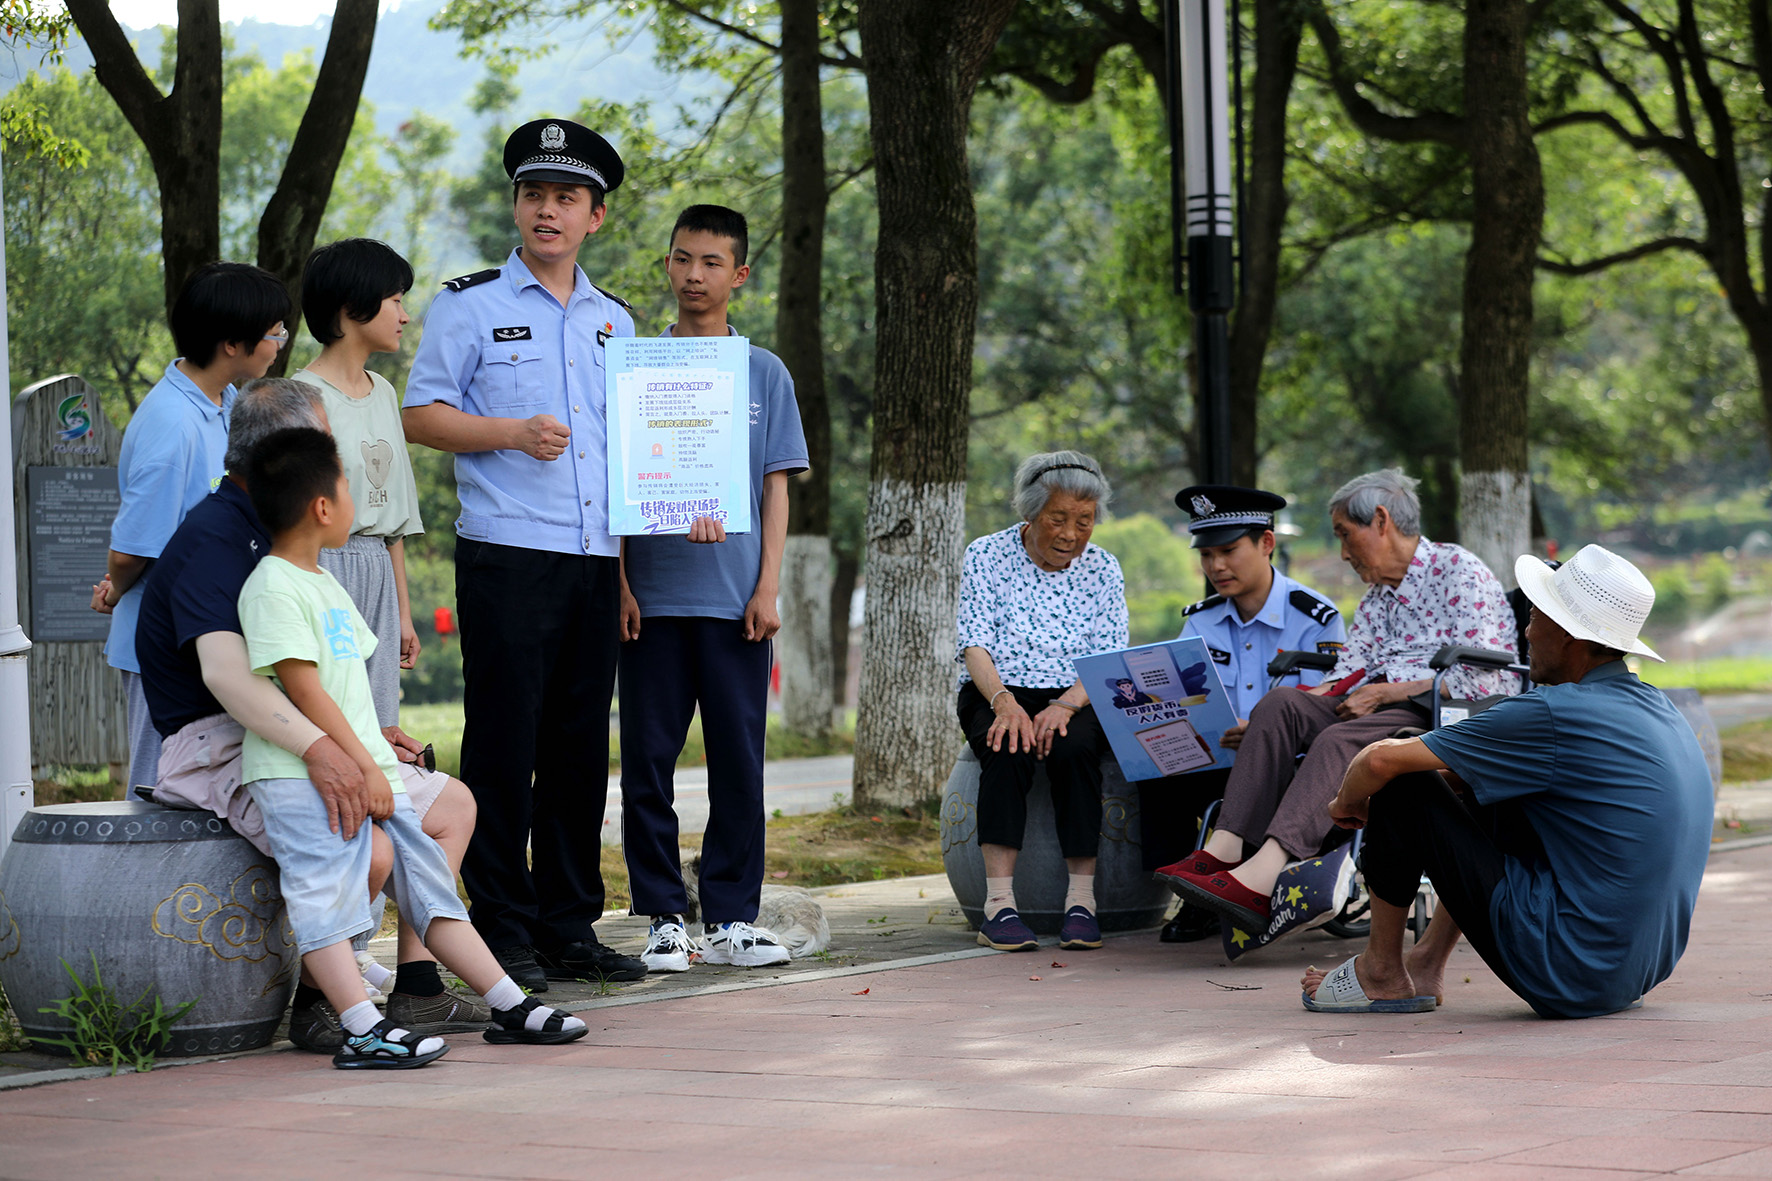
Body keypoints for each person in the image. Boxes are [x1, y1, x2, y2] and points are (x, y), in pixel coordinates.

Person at [135, 378, 487, 1047]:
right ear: (284, 453)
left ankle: (418, 989)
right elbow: (228, 677)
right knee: (370, 845)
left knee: (452, 808)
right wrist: (328, 752)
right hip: (220, 742)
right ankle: (324, 1006)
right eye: (325, 440)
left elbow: (311, 670)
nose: (337, 456)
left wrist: (364, 736)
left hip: (293, 730)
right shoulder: (216, 537)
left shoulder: (285, 539)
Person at [238, 426, 588, 1068]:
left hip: (365, 766)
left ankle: (508, 1003)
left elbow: (346, 688)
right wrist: (361, 763)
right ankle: (361, 1027)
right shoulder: (272, 586)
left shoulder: (324, 582)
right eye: (348, 488)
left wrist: (377, 752)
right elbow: (304, 691)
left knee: (429, 885)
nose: (357, 502)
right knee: (325, 891)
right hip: (302, 777)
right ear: (322, 506)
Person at [402, 118, 646, 990]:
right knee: (505, 745)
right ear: (515, 206)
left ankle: (569, 924)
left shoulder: (617, 322)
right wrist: (509, 431)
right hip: (507, 554)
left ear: (595, 216)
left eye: (567, 198)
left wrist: (626, 572)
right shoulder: (469, 305)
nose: (548, 211)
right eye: (534, 194)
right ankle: (502, 925)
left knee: (579, 748)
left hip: (594, 561)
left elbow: (633, 456)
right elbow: (420, 414)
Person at [1302, 544, 1710, 1018]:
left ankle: (1380, 973)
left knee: (1404, 777)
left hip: (1569, 969)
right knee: (1482, 777)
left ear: (1569, 636)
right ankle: (1426, 962)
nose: (1526, 631)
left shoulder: (1553, 713)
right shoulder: (1661, 709)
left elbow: (1378, 763)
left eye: (1535, 617)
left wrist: (1344, 806)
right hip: (1632, 970)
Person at [1163, 469, 1518, 934]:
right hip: (1373, 702)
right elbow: (1344, 674)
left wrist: (1389, 691)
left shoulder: (1458, 571)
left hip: (1434, 708)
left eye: (1345, 535)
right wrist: (1290, 709)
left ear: (1381, 521)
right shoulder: (1379, 594)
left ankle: (1265, 875)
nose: (1344, 553)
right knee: (1280, 705)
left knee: (1338, 740)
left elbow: (1484, 675)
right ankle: (1224, 849)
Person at [619, 204, 810, 973]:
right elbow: (617, 484)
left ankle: (731, 917)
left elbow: (775, 488)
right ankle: (665, 917)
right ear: (666, 264)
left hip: (737, 605)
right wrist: (620, 581)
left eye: (710, 262)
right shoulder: (636, 367)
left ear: (740, 274)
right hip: (651, 601)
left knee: (738, 763)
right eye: (681, 258)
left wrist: (767, 587)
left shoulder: (764, 372)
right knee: (646, 763)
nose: (693, 275)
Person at [94, 262, 290, 797]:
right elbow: (131, 550)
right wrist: (116, 588)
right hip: (164, 650)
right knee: (160, 794)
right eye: (274, 332)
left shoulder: (224, 403)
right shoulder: (172, 426)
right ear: (232, 343)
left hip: (211, 637)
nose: (279, 344)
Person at [1139, 485, 1346, 944]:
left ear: (1266, 543)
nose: (1216, 566)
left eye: (1229, 551)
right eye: (1206, 554)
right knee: (1156, 767)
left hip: (1288, 766)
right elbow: (1180, 699)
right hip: (1216, 756)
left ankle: (1236, 882)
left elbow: (1329, 708)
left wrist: (1259, 730)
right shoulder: (1201, 620)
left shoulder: (1316, 618)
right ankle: (1188, 890)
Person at [956, 451, 1127, 953]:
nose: (1071, 534)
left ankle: (1082, 903)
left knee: (1075, 750)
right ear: (1031, 514)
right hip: (996, 687)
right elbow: (975, 644)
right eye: (1058, 519)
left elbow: (1109, 655)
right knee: (1006, 746)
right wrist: (1004, 703)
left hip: (1076, 692)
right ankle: (998, 907)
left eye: (1084, 521)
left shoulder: (1103, 568)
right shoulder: (987, 554)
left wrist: (1066, 705)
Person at [294, 238, 426, 732]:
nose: (404, 315)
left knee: (380, 724)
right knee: (332, 723)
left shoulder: (385, 392)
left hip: (378, 572)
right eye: (395, 300)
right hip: (324, 568)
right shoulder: (302, 397)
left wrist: (403, 613)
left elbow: (392, 524)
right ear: (352, 306)